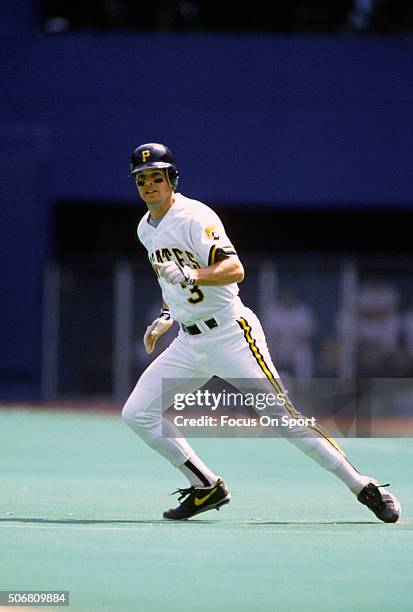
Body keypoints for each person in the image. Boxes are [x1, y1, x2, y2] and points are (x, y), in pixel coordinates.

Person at [122, 142, 400, 523]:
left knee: (285, 420)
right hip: (189, 341)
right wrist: (167, 314)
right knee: (137, 413)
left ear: (172, 179)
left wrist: (194, 274)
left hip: (230, 335)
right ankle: (207, 486)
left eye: (157, 176)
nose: (150, 185)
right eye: (142, 179)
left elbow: (235, 269)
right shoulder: (145, 229)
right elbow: (170, 281)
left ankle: (364, 486)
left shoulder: (193, 217)